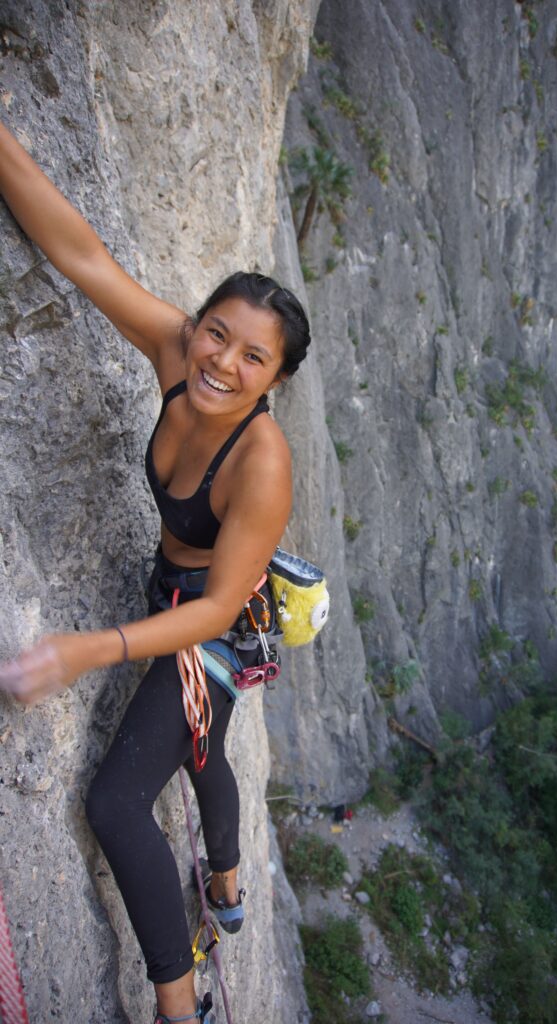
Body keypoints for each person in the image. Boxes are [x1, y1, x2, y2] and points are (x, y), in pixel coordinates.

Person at [0, 121, 311, 1023]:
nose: (222, 362)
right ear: (197, 324)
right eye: (217, 334)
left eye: (253, 357)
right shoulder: (177, 353)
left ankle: (181, 1007)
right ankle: (226, 878)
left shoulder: (262, 465)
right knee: (199, 747)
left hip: (219, 625)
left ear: (274, 379)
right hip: (171, 594)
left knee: (117, 802)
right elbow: (82, 256)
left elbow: (212, 613)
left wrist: (84, 650)